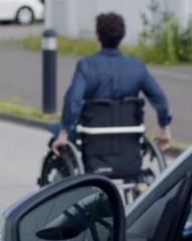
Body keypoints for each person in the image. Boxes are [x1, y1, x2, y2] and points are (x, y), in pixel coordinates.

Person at [50, 12, 173, 156]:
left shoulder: (87, 66)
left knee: (56, 129)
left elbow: (73, 100)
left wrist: (64, 132)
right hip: (128, 137)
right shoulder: (137, 67)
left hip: (93, 134)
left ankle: (63, 175)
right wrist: (165, 127)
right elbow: (159, 98)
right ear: (122, 37)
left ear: (97, 36)